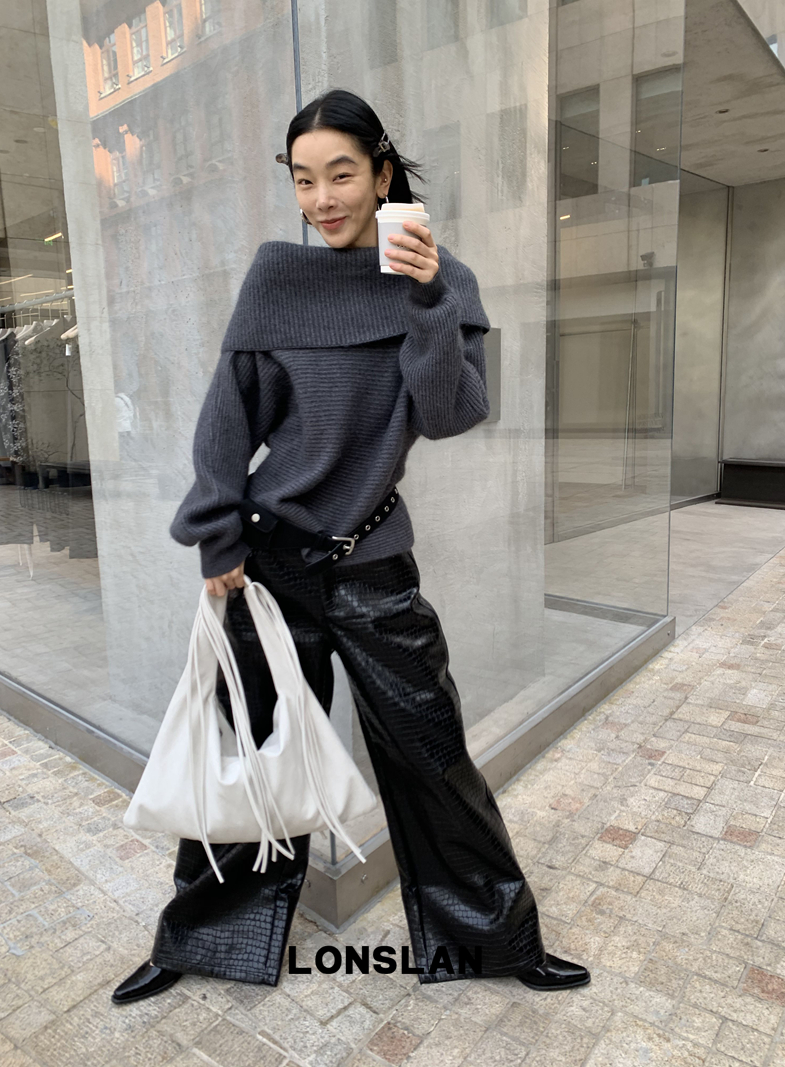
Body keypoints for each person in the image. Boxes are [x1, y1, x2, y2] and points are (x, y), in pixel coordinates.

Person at [113, 88, 589, 1004]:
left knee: (432, 753)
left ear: (381, 174)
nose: (322, 198)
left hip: (372, 563)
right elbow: (225, 422)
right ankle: (202, 937)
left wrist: (426, 298)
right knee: (253, 755)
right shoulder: (276, 280)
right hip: (268, 563)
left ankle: (496, 940)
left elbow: (449, 414)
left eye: (340, 174)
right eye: (303, 180)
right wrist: (216, 540)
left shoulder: (443, 281)